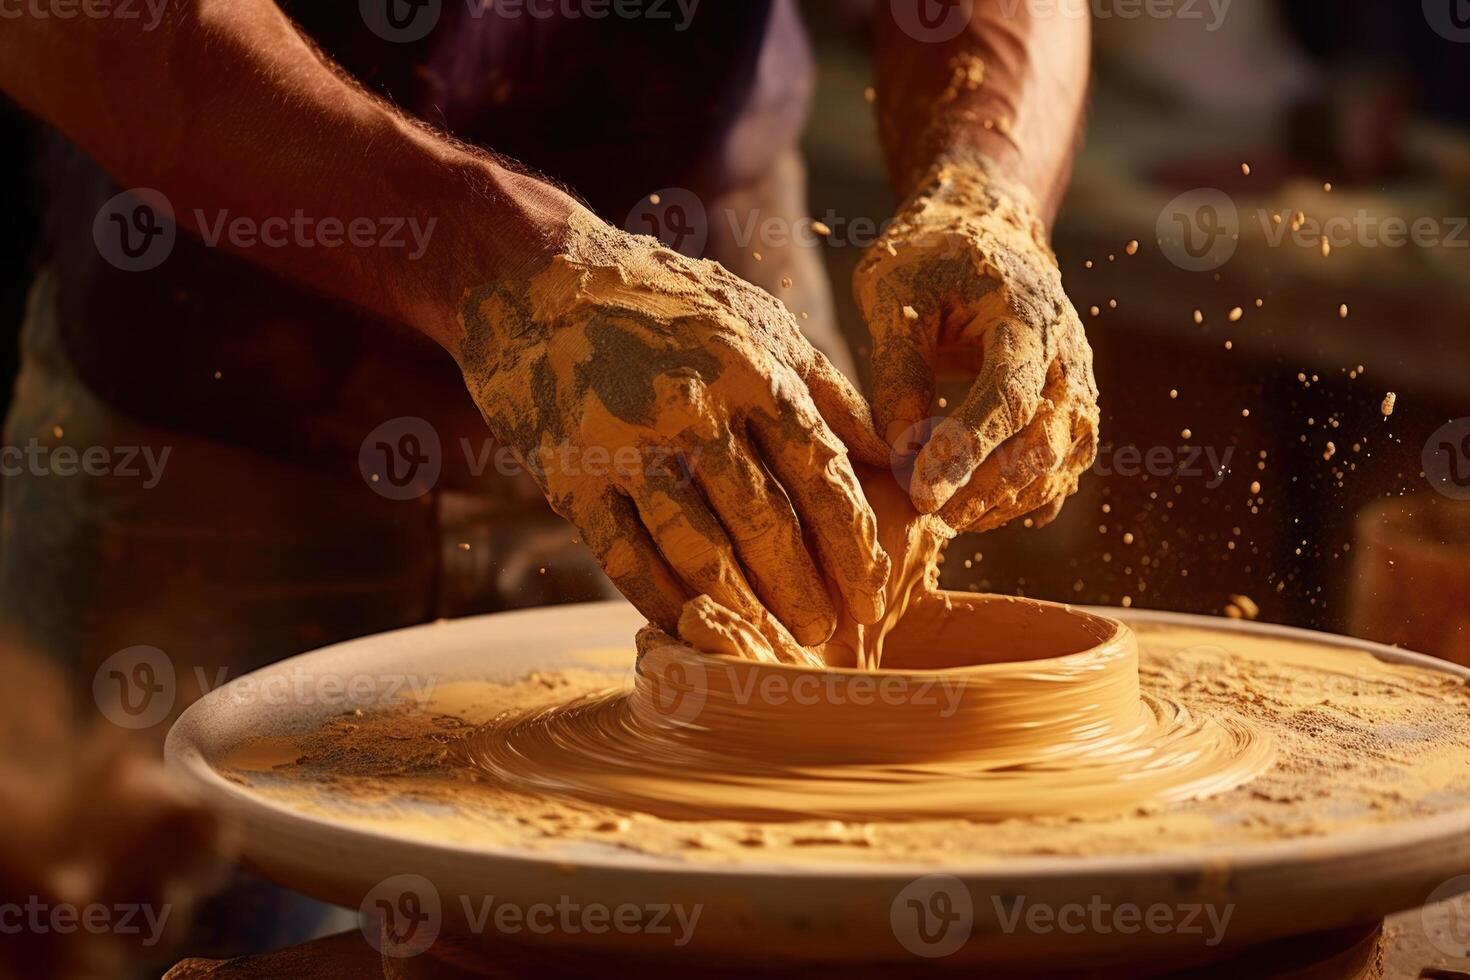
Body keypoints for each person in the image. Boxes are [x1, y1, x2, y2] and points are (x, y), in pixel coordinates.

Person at [0, 0, 1097, 960]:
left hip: (718, 334)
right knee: (152, 921)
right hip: (224, 357)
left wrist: (985, 188)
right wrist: (489, 258)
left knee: (753, 909)